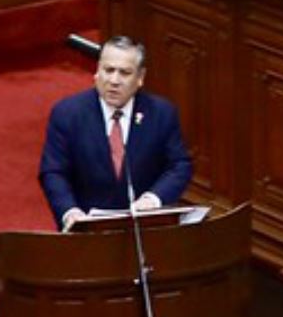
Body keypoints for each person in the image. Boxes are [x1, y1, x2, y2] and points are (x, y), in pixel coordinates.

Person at [39, 37, 193, 231]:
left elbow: (180, 165)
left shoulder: (161, 113)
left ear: (140, 77)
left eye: (124, 73)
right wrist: (70, 211)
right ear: (97, 71)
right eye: (108, 70)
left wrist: (153, 199)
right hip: (87, 230)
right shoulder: (68, 113)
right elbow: (53, 172)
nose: (114, 81)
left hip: (144, 229)